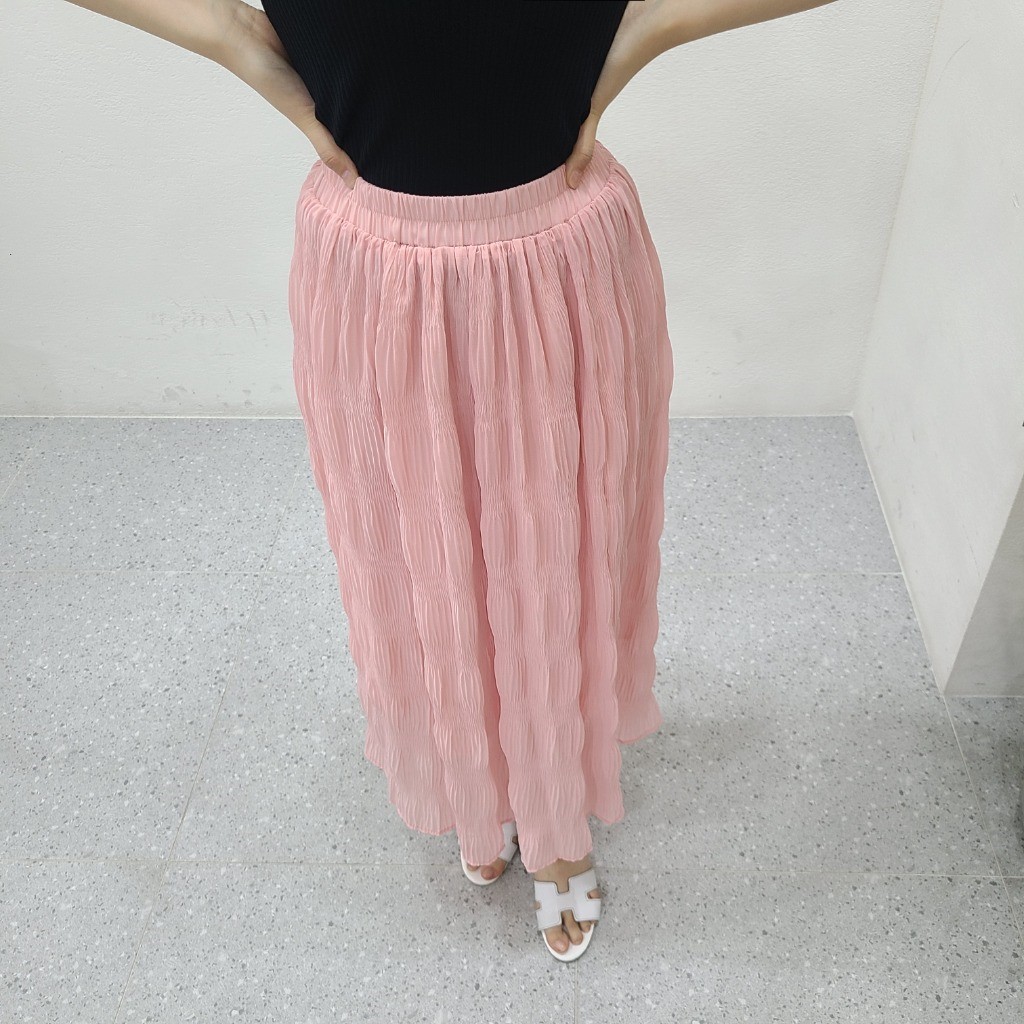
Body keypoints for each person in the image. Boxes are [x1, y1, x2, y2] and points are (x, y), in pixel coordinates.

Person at [64, 0, 841, 963]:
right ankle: (480, 786)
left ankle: (554, 820)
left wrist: (648, 29)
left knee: (554, 557)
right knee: (419, 558)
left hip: (553, 254)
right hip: (378, 265)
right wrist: (226, 34)